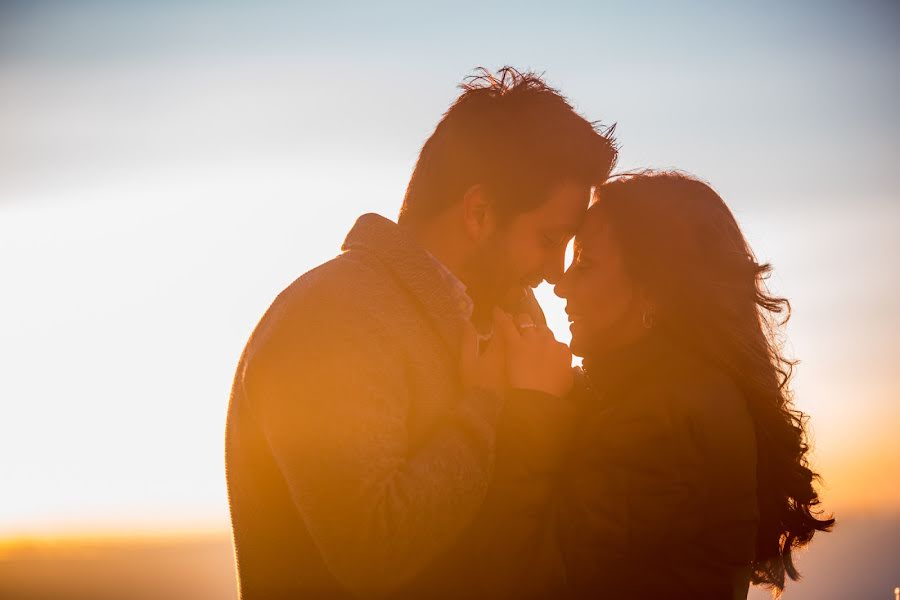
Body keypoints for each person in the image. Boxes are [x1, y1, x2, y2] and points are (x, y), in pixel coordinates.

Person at [224, 67, 617, 599]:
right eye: (549, 239)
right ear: (479, 212)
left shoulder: (511, 314)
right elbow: (374, 551)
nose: (554, 270)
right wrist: (487, 404)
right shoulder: (330, 318)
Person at [548, 171, 834, 598]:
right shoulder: (683, 394)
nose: (561, 285)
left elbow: (542, 574)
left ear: (652, 293)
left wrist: (528, 405)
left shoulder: (664, 422)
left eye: (585, 265)